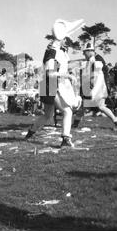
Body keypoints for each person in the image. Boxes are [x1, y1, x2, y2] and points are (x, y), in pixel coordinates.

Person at [25, 19, 84, 147]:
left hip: (51, 84)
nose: (67, 42)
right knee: (67, 111)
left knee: (48, 115)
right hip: (50, 84)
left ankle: (30, 132)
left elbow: (63, 67)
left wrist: (78, 63)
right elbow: (50, 73)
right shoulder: (52, 51)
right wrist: (67, 75)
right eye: (66, 39)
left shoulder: (59, 50)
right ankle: (65, 139)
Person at [75, 42, 117, 130]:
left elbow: (96, 76)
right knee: (85, 106)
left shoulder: (98, 60)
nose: (84, 54)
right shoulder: (93, 60)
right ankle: (75, 124)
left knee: (100, 106)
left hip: (99, 88)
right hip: (94, 88)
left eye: (85, 52)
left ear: (90, 51)